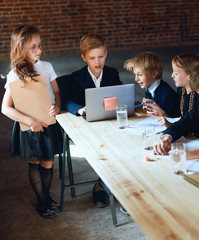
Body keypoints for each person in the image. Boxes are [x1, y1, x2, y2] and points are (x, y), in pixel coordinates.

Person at [1, 25, 62, 219]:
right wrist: (30, 120)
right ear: (20, 49)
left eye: (40, 45)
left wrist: (58, 106)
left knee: (49, 162)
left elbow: (57, 92)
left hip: (49, 122)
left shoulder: (47, 67)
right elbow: (5, 108)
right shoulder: (15, 74)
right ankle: (42, 200)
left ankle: (46, 195)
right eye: (33, 47)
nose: (39, 50)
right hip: (29, 126)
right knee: (35, 161)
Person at [65, 33, 122, 208]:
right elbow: (68, 102)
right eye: (92, 58)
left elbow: (119, 95)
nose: (97, 62)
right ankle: (103, 184)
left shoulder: (112, 73)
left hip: (109, 122)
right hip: (86, 124)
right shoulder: (76, 77)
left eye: (101, 56)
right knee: (103, 147)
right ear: (84, 57)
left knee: (121, 143)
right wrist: (79, 109)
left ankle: (103, 183)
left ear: (106, 53)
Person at [124, 52, 180, 118]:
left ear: (154, 74)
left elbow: (175, 120)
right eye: (135, 74)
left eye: (140, 75)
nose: (136, 79)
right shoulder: (149, 89)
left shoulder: (167, 95)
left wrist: (160, 111)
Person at [156, 53, 199, 128]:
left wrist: (171, 126)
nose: (172, 76)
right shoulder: (181, 90)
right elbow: (178, 118)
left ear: (190, 76)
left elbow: (193, 125)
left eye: (176, 73)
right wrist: (160, 111)